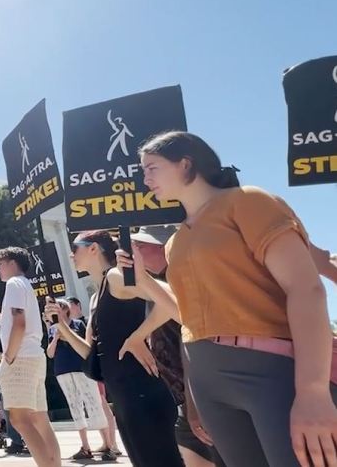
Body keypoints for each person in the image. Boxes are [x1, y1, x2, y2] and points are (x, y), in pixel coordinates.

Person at [118, 130, 337, 467]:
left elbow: (306, 288)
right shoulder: (175, 242)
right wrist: (144, 280)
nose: (144, 178)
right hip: (209, 385)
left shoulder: (248, 202)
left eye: (152, 167)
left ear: (185, 164)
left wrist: (313, 390)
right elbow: (187, 318)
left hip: (271, 372)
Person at [45, 230, 184, 467]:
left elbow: (174, 300)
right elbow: (93, 354)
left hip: (142, 389)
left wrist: (138, 336)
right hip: (123, 393)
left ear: (93, 248)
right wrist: (63, 327)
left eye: (75, 248)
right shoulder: (97, 293)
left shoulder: (116, 277)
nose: (71, 255)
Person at [128, 225, 224, 467]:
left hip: (204, 397)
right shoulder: (158, 284)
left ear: (163, 246)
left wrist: (194, 405)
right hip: (186, 400)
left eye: (140, 245)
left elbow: (191, 342)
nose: (134, 250)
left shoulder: (184, 280)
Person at [0, 246, 61, 467]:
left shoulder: (13, 284)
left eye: (0, 264)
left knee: (20, 419)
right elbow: (16, 321)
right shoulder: (25, 285)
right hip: (34, 355)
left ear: (12, 263)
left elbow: (19, 323)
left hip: (20, 356)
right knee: (40, 419)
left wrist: (9, 356)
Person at [45, 301, 112, 461]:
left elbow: (86, 346)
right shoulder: (53, 329)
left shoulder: (78, 324)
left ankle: (107, 445)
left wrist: (67, 336)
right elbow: (50, 353)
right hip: (63, 371)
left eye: (59, 309)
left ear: (65, 311)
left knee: (94, 403)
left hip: (82, 369)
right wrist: (55, 338)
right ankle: (85, 446)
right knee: (75, 406)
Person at [0, 297, 29, 457]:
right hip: (7, 372)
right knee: (10, 409)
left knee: (22, 408)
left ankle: (27, 440)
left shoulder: (13, 325)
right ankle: (16, 441)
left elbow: (10, 326)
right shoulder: (2, 333)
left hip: (18, 370)